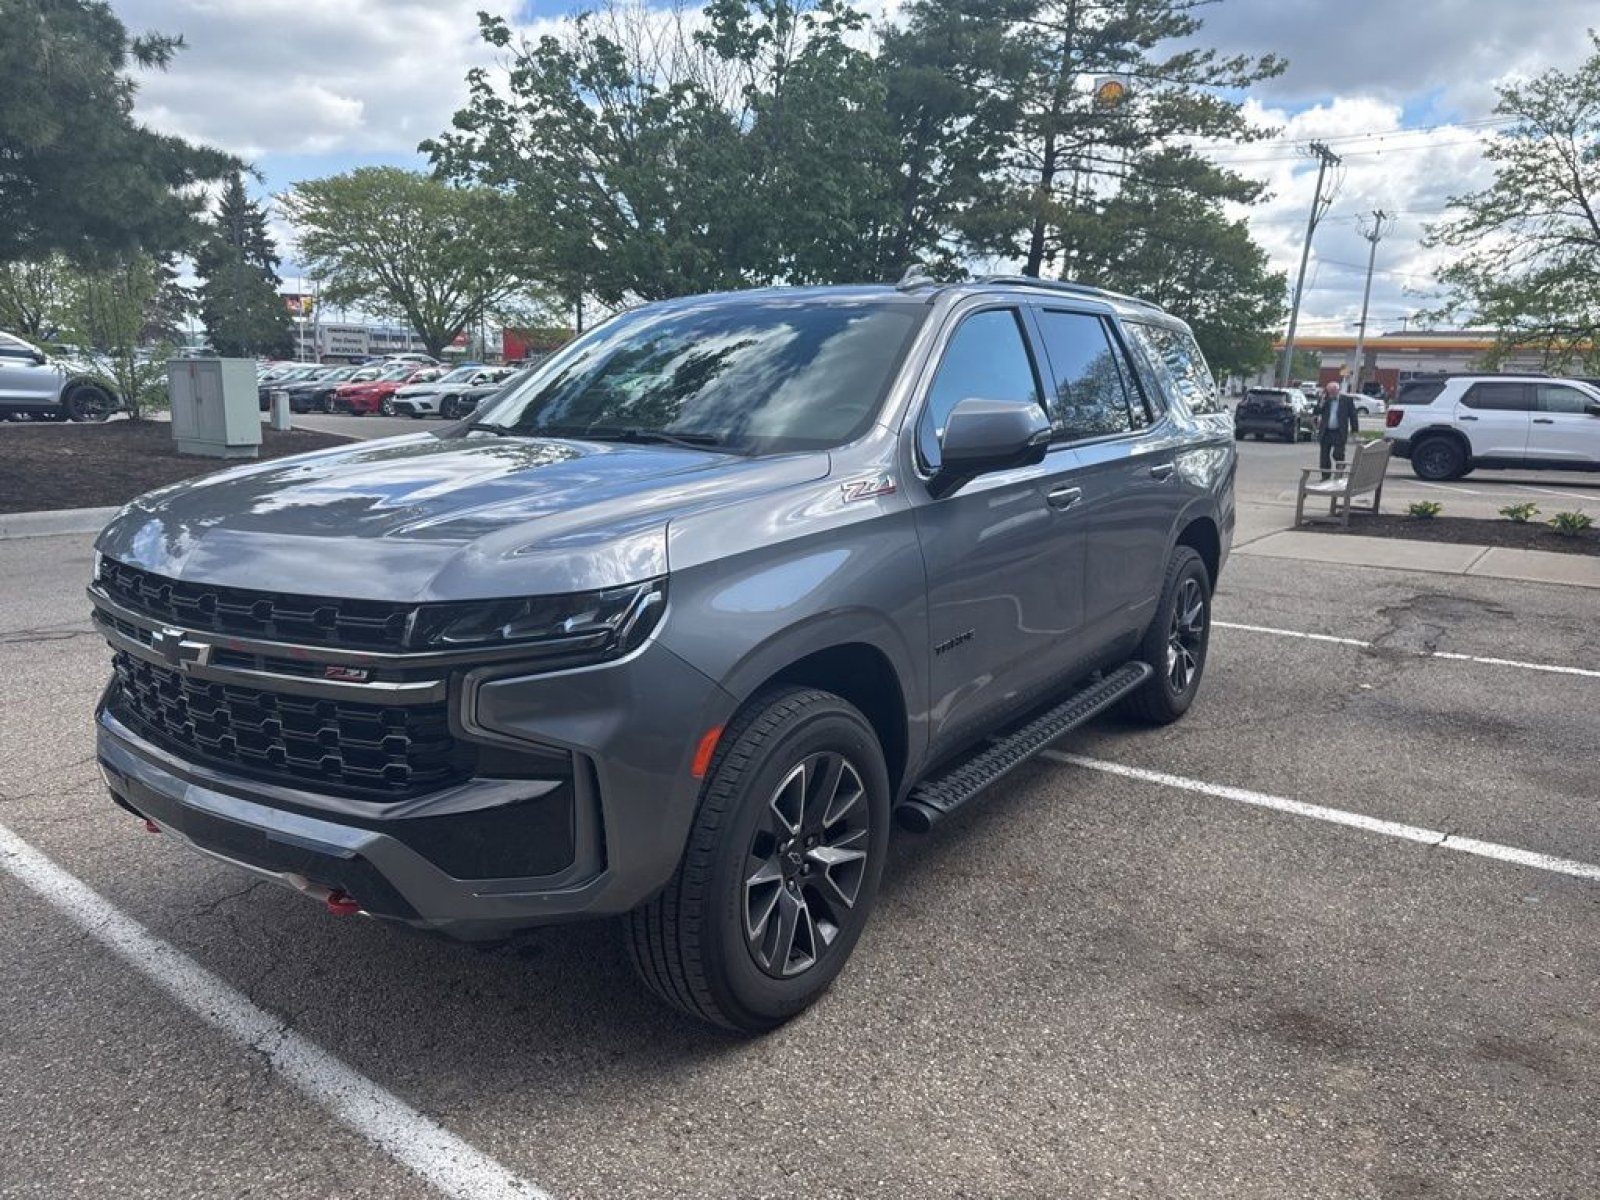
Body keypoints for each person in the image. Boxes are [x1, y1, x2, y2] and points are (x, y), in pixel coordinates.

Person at [1315, 380, 1359, 479]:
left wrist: (1354, 431)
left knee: (1338, 454)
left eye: (1333, 392)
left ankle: (1339, 474)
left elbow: (1353, 416)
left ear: (1338, 391)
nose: (1331, 394)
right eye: (1329, 392)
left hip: (1339, 432)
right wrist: (1321, 401)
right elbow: (1316, 411)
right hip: (1326, 431)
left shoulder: (1347, 400)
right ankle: (1325, 477)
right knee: (1324, 456)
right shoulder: (1325, 400)